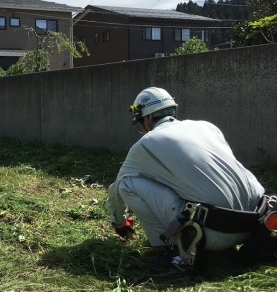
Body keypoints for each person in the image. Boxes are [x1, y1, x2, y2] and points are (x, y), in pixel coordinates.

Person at [106, 87, 265, 266]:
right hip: (256, 223)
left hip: (213, 235)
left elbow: (116, 190)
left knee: (126, 183)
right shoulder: (207, 127)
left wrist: (118, 223)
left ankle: (169, 250)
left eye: (139, 123)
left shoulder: (146, 144)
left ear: (147, 119)